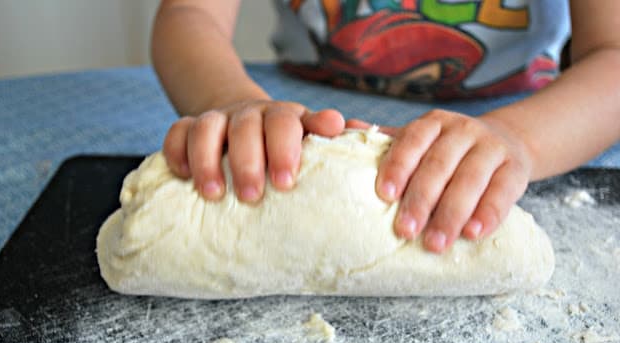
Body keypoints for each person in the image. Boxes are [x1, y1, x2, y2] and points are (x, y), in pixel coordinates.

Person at [151, 1, 620, 253]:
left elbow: (612, 53)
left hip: (530, 115)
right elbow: (190, 13)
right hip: (294, 108)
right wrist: (231, 102)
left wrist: (520, 138)